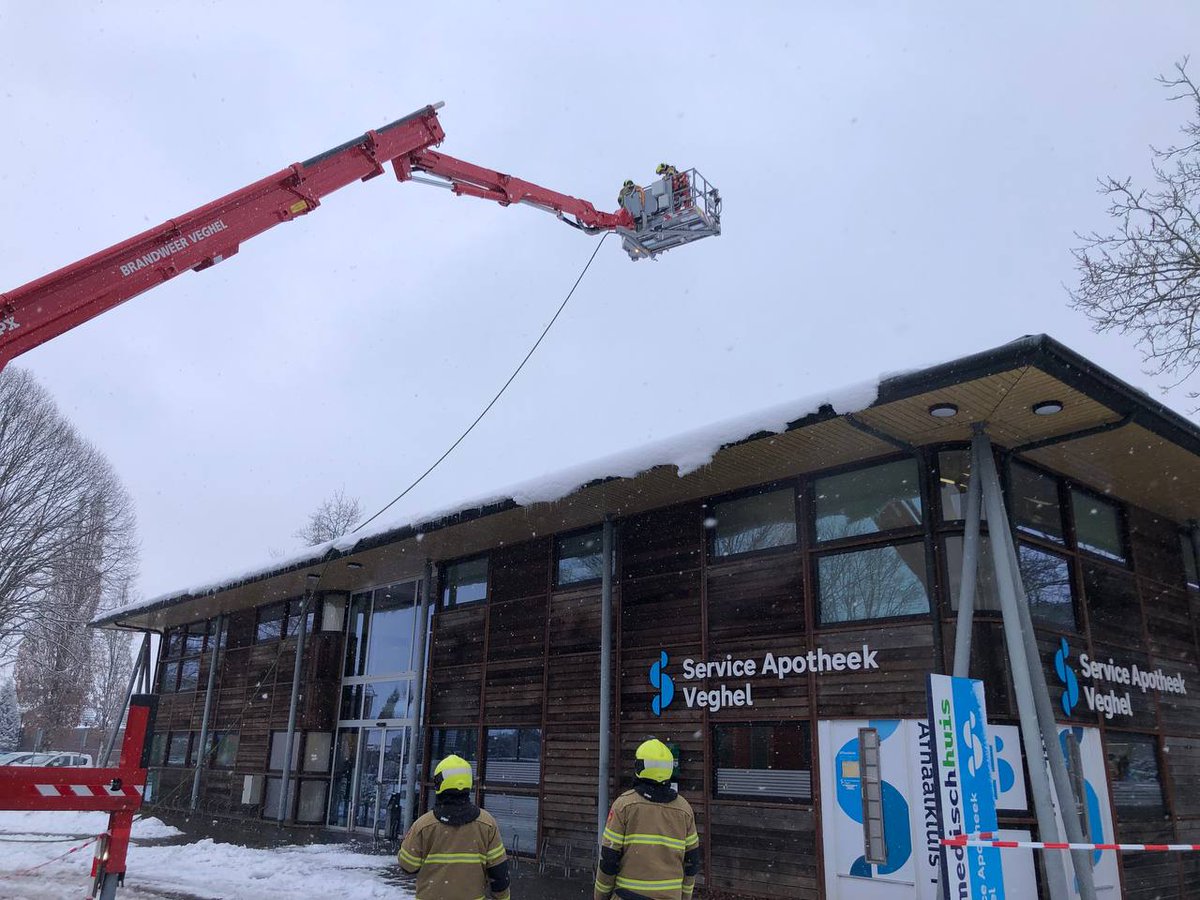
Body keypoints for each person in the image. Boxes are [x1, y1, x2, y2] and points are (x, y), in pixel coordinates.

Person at [594, 738, 700, 900]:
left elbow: (609, 858)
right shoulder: (684, 810)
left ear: (639, 767)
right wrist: (685, 896)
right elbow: (692, 861)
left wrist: (600, 895)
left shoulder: (624, 805)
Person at [398, 754, 511, 900]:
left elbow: (408, 865)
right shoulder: (487, 823)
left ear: (439, 784)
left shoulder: (424, 825)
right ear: (468, 783)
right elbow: (499, 875)